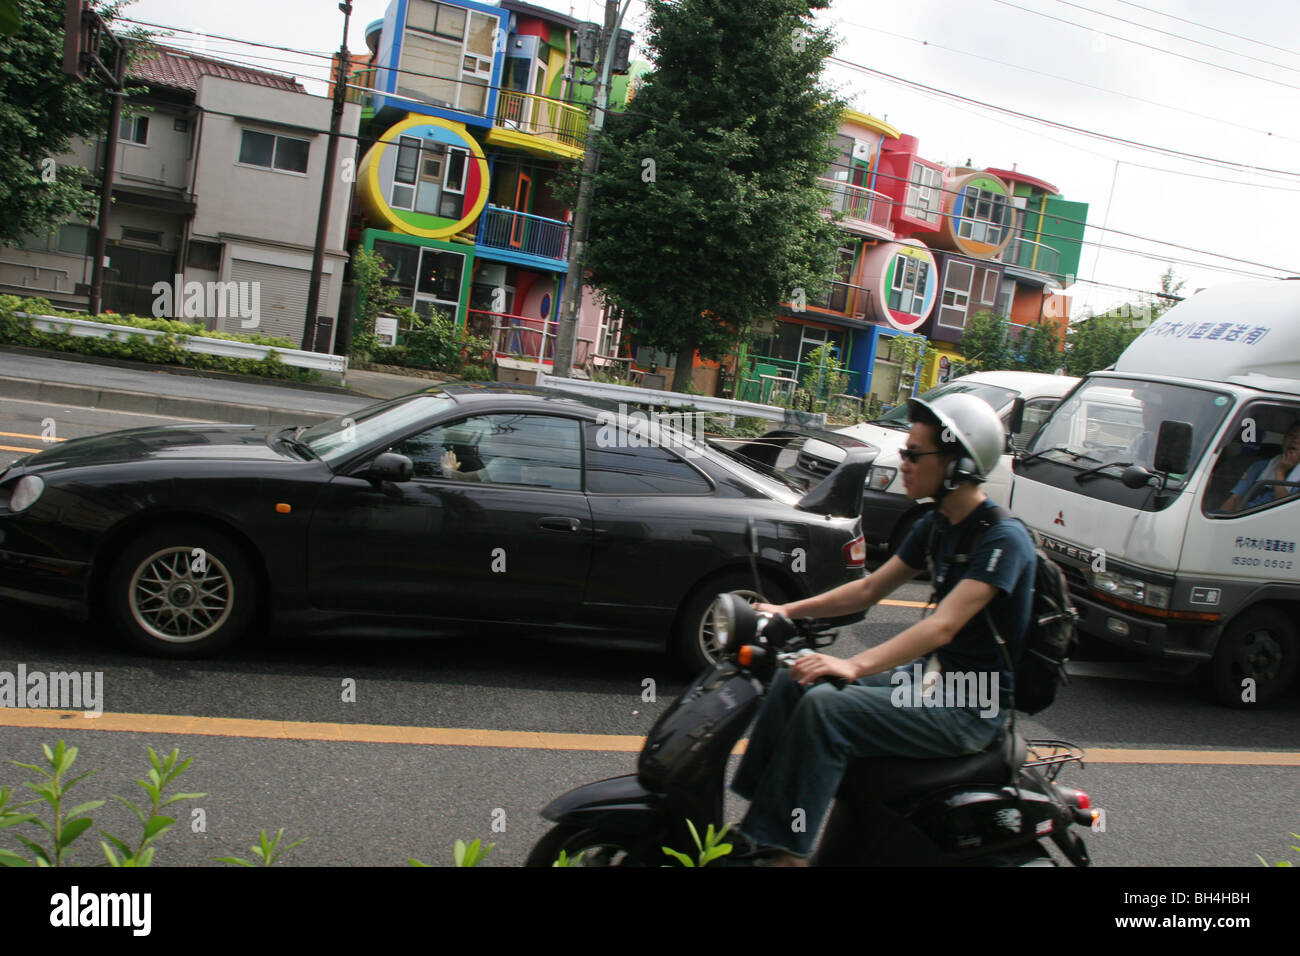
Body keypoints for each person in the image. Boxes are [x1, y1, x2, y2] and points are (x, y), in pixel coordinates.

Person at [727, 392, 1038, 866]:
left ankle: (784, 854)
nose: (904, 462)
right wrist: (787, 611)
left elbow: (944, 626)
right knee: (797, 676)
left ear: (956, 464)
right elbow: (869, 589)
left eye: (914, 454)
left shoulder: (1003, 539)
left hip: (970, 704)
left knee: (827, 708)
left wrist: (852, 664)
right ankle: (761, 827)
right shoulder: (937, 525)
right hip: (928, 681)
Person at [1220, 420, 1300, 513]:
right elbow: (1235, 499)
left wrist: (1280, 472)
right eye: (1292, 435)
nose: (1295, 440)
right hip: (1245, 515)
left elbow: (1285, 511)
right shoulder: (1260, 466)